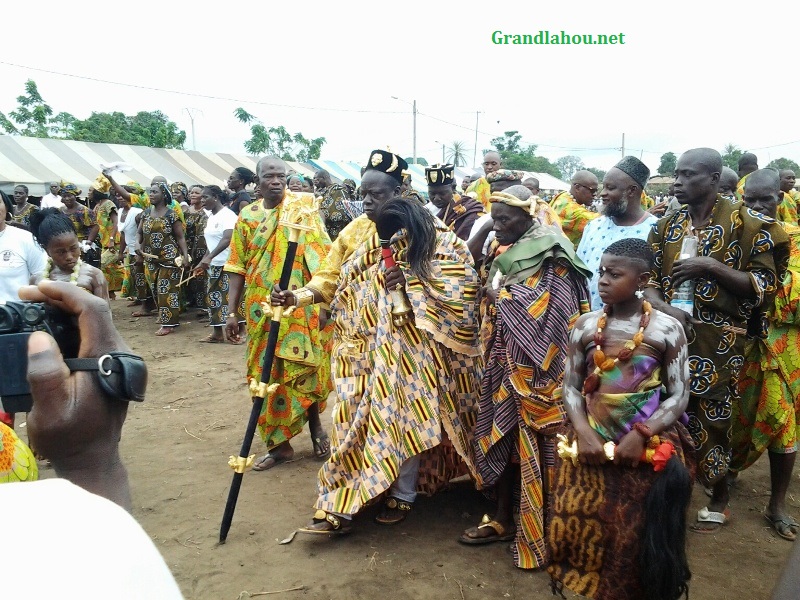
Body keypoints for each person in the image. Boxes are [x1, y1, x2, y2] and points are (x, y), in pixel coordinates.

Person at [272, 149, 482, 534]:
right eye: (363, 193)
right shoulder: (355, 232)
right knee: (350, 422)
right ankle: (346, 496)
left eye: (377, 194)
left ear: (399, 191)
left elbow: (462, 282)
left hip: (410, 351)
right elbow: (329, 279)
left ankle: (401, 493)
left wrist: (413, 281)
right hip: (358, 347)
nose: (367, 201)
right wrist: (297, 297)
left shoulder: (430, 231)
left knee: (404, 419)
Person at [646, 147, 788, 532]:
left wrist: (710, 266)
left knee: (713, 420)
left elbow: (764, 285)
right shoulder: (666, 226)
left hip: (720, 342)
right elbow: (649, 282)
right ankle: (669, 493)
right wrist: (664, 306)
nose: (677, 182)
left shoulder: (749, 224)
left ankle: (719, 498)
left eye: (687, 175)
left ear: (712, 179)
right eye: (676, 174)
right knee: (663, 413)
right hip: (669, 337)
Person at [548, 238, 694, 600]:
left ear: (642, 279)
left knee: (634, 535)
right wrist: (584, 432)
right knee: (582, 530)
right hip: (590, 443)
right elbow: (571, 387)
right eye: (601, 272)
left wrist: (642, 433)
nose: (603, 280)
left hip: (643, 448)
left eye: (614, 274)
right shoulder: (585, 326)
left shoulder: (666, 329)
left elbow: (679, 394)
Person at [459, 185, 591, 571]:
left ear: (527, 216)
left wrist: (499, 299)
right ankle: (504, 519)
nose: (497, 226)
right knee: (502, 436)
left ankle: (549, 531)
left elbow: (558, 312)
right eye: (493, 219)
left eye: (504, 219)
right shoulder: (510, 249)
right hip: (505, 363)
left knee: (545, 451)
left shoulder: (553, 252)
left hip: (543, 372)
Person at [223, 156, 333, 470]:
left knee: (305, 366)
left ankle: (316, 428)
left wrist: (324, 304)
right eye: (268, 176)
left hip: (300, 305)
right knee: (265, 373)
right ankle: (279, 446)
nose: (275, 181)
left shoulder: (302, 209)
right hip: (260, 308)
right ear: (256, 181)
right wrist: (231, 313)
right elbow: (237, 266)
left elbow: (325, 257)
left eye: (280, 176)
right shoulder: (248, 216)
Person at [731, 169, 800, 541]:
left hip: (784, 350)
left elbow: (791, 299)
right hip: (738, 345)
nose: (758, 207)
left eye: (766, 199)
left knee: (779, 417)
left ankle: (777, 504)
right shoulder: (733, 238)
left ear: (781, 199)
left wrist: (763, 296)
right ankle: (727, 474)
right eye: (750, 200)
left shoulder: (796, 240)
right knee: (736, 414)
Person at [577, 156, 658, 310]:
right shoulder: (593, 226)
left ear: (631, 190)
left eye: (610, 188)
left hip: (633, 320)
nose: (602, 193)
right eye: (603, 187)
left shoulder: (655, 229)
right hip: (587, 317)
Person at [136, 182, 189, 335]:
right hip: (150, 258)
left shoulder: (171, 215)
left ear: (164, 195)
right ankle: (168, 318)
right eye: (150, 192)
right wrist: (137, 245)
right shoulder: (146, 213)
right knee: (155, 290)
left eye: (155, 192)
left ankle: (168, 324)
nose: (151, 194)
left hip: (169, 258)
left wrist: (185, 256)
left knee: (166, 290)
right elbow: (139, 233)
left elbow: (180, 237)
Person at [193, 185, 243, 343]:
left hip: (228, 264)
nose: (202, 200)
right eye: (201, 197)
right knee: (213, 298)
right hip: (215, 265)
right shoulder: (211, 217)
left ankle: (239, 332)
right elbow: (211, 243)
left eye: (205, 197)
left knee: (233, 299)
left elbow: (227, 239)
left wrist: (210, 257)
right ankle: (217, 333)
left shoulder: (227, 215)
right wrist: (204, 260)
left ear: (215, 197)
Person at [29, 208, 109, 301]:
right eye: (61, 252)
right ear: (46, 250)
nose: (69, 257)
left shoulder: (94, 276)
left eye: (73, 248)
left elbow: (103, 309)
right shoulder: (37, 280)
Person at [426, 163, 484, 240]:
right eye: (432, 193)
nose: (436, 198)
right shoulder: (425, 210)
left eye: (442, 193)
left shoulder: (469, 208)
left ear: (453, 188)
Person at [90, 176, 124, 299]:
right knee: (110, 269)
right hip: (104, 242)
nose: (88, 193)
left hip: (113, 241)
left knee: (103, 264)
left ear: (96, 192)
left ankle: (125, 287)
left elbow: (116, 222)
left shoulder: (108, 204)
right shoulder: (98, 205)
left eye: (90, 190)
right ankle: (111, 293)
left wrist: (111, 240)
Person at [548, 170, 601, 247]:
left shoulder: (562, 196)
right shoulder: (573, 210)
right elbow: (601, 221)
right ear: (577, 188)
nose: (595, 194)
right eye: (592, 190)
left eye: (596, 190)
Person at [59, 181, 100, 268]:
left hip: (81, 245)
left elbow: (95, 226)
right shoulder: (59, 211)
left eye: (69, 196)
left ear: (75, 196)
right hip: (64, 244)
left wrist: (89, 242)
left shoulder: (84, 211)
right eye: (64, 196)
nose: (67, 198)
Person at [184, 185, 208, 313]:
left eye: (196, 193)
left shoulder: (206, 213)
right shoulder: (187, 211)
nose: (192, 195)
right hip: (188, 247)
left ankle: (203, 306)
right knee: (190, 274)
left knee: (201, 277)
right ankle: (191, 301)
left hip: (201, 247)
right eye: (191, 192)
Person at [117, 191, 143, 304]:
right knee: (134, 276)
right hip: (130, 250)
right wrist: (120, 252)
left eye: (123, 195)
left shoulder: (137, 212)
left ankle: (145, 302)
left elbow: (142, 233)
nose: (120, 198)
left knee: (140, 276)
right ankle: (139, 299)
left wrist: (140, 252)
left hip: (139, 250)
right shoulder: (120, 211)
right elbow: (123, 234)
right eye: (118, 196)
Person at [314, 169, 354, 240]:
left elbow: (339, 214)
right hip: (327, 232)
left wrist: (319, 212)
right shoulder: (326, 191)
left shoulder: (338, 190)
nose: (316, 181)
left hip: (337, 233)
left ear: (323, 178)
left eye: (318, 179)